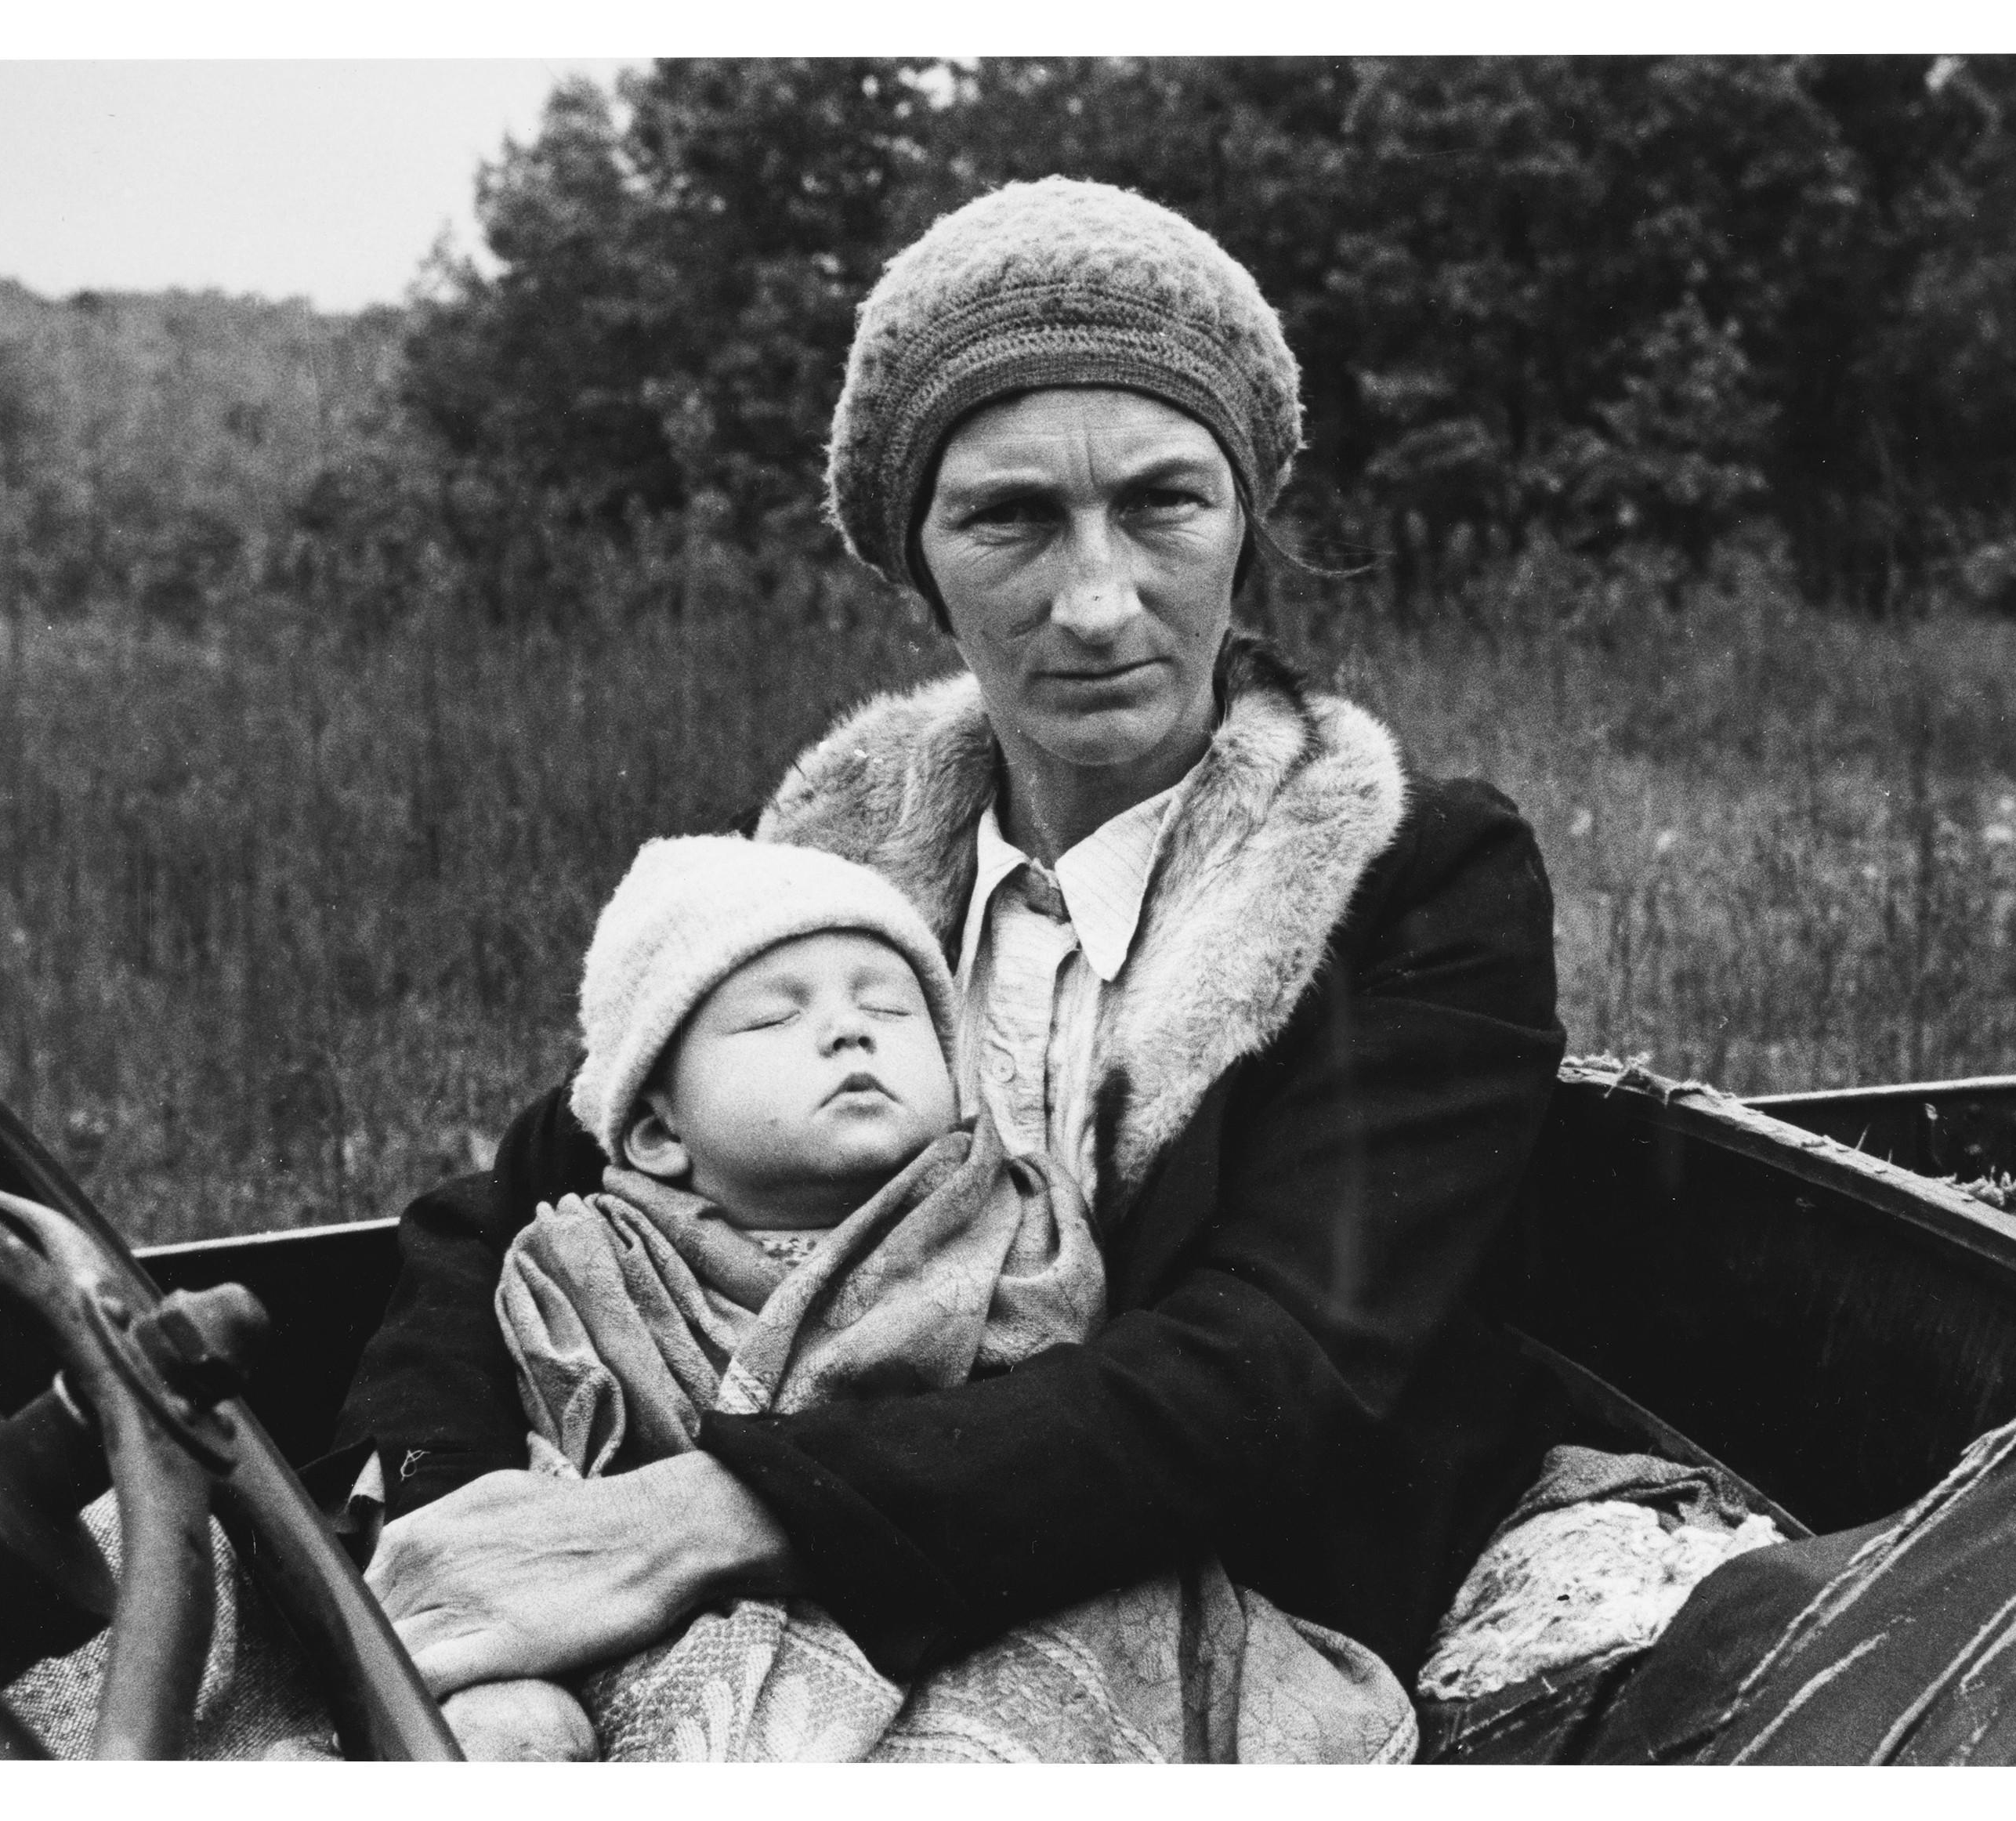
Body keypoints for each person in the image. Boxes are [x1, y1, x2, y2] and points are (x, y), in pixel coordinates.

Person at [326, 175, 1569, 1754]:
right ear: (917, 564)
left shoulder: (1405, 876)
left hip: (1200, 1606)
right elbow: (500, 1206)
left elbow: (1277, 1371)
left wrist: (677, 1525)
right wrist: (442, 1517)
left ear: (1245, 530)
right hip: (778, 1603)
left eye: (1163, 503)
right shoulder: (827, 860)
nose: (1099, 598)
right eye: (1011, 518)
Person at [467, 831, 1411, 1761]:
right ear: (657, 1135)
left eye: (889, 1005)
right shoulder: (594, 1266)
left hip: (978, 1574)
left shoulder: (1010, 1229)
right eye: (770, 1019)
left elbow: (1048, 1428)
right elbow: (555, 1462)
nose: (849, 1029)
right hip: (661, 1608)